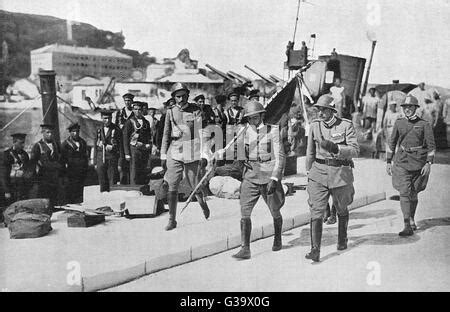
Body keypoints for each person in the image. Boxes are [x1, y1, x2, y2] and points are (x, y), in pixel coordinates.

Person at [305, 94, 359, 262]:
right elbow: (310, 152)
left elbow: (355, 150)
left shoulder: (345, 125)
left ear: (332, 111)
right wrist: (309, 173)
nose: (320, 113)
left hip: (340, 173)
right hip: (318, 172)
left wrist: (336, 148)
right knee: (316, 210)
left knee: (342, 207)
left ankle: (342, 238)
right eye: (318, 110)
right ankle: (315, 249)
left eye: (324, 110)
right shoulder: (314, 126)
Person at [232, 101, 286, 260]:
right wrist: (239, 155)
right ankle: (245, 248)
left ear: (262, 116)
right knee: (244, 211)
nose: (252, 122)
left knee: (274, 210)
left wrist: (275, 178)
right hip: (250, 175)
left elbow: (280, 157)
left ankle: (277, 237)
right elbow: (238, 150)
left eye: (255, 118)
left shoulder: (273, 131)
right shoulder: (244, 131)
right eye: (249, 119)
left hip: (268, 175)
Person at [160, 83, 211, 231]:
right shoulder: (170, 111)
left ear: (187, 96)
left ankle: (202, 202)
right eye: (177, 96)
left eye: (183, 96)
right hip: (174, 150)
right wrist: (163, 155)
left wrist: (203, 154)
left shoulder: (196, 110)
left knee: (194, 184)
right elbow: (165, 134)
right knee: (172, 184)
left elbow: (201, 133)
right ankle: (172, 219)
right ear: (174, 97)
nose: (180, 99)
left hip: (191, 149)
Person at [386, 95, 435, 236]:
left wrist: (428, 163)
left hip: (419, 163)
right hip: (401, 161)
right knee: (404, 192)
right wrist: (389, 161)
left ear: (415, 108)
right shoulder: (399, 123)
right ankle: (406, 224)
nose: (407, 109)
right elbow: (392, 143)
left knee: (413, 193)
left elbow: (431, 146)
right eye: (405, 107)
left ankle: (412, 218)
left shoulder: (424, 124)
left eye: (410, 107)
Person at [30, 124, 64, 207]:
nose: (50, 134)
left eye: (51, 132)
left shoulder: (56, 144)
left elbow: (61, 158)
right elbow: (33, 162)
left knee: (55, 197)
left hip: (55, 176)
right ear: (43, 133)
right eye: (48, 132)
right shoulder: (38, 146)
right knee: (45, 198)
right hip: (44, 177)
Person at [123, 101, 152, 185]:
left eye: (139, 109)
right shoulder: (129, 122)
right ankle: (134, 187)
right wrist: (127, 153)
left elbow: (149, 136)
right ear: (133, 110)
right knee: (134, 170)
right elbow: (125, 138)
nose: (138, 111)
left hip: (144, 149)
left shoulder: (146, 122)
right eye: (135, 109)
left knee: (143, 168)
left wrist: (149, 144)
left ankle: (142, 187)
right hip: (134, 149)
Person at [94, 110, 123, 192]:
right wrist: (95, 162)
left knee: (112, 183)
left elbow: (121, 148)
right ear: (101, 118)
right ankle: (103, 201)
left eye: (109, 118)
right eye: (105, 118)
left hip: (112, 159)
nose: (107, 120)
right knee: (102, 182)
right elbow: (95, 146)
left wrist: (120, 163)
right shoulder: (98, 129)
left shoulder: (116, 129)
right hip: (101, 159)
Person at [61, 123, 89, 204]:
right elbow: (62, 160)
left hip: (81, 171)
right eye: (73, 131)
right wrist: (64, 174)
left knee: (80, 191)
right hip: (71, 172)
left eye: (77, 131)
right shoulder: (65, 144)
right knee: (71, 191)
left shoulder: (82, 142)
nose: (75, 133)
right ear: (70, 132)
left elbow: (85, 157)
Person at [1, 133, 32, 205]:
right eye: (21, 143)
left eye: (23, 143)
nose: (23, 145)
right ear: (14, 142)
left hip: (23, 187)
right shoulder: (7, 155)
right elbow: (3, 175)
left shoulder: (25, 154)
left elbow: (27, 170)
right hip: (12, 187)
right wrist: (7, 191)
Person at [115, 93, 135, 185]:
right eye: (126, 100)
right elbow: (116, 126)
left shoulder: (134, 112)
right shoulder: (120, 112)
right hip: (120, 140)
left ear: (132, 101)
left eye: (129, 101)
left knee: (131, 160)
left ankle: (132, 182)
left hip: (131, 140)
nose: (127, 102)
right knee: (121, 160)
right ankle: (123, 181)